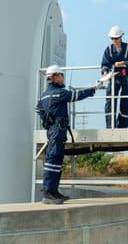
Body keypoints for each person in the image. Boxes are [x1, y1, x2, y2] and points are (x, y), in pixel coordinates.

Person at [36, 64, 102, 205]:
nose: (63, 78)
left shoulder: (44, 95)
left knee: (56, 161)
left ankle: (53, 191)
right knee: (53, 161)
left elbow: (38, 109)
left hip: (54, 129)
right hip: (58, 130)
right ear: (55, 77)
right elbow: (77, 95)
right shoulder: (60, 93)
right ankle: (48, 192)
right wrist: (93, 88)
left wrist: (46, 118)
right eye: (61, 75)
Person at [101, 25, 128, 128]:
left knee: (125, 103)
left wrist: (123, 63)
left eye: (116, 38)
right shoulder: (108, 50)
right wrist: (105, 73)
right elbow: (105, 64)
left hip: (126, 79)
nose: (114, 40)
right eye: (112, 38)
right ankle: (110, 127)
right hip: (113, 80)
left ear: (121, 37)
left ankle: (122, 127)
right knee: (110, 103)